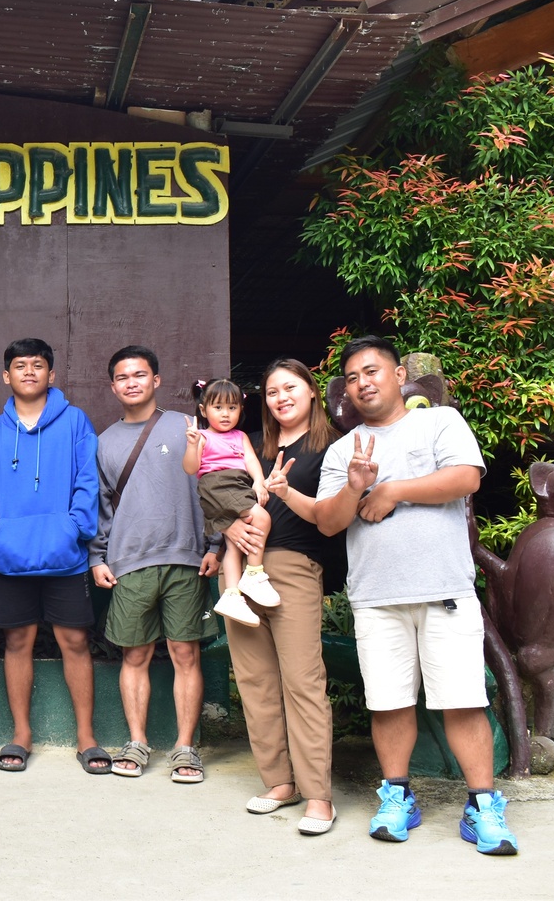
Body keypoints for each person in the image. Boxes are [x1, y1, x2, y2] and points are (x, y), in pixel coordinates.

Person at [314, 335, 518, 855]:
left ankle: (483, 805)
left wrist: (392, 489)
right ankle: (397, 796)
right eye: (353, 378)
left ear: (399, 375)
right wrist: (357, 485)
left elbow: (466, 478)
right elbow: (331, 523)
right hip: (376, 596)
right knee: (388, 702)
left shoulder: (439, 423)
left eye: (372, 371)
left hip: (444, 589)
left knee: (464, 701)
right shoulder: (343, 449)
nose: (363, 383)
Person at [0, 338, 108, 775]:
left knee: (75, 642)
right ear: (5, 376)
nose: (29, 372)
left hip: (65, 556)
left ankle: (86, 737)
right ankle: (21, 734)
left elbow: (89, 483)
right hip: (11, 558)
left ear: (52, 374)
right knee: (18, 642)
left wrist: (76, 532)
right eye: (19, 366)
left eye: (38, 365)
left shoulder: (76, 422)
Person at [89, 346, 219, 782]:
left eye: (139, 375)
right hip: (128, 561)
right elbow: (102, 507)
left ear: (156, 380)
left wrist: (216, 544)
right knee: (136, 654)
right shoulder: (104, 442)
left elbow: (214, 483)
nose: (131, 382)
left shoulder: (186, 427)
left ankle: (185, 748)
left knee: (186, 653)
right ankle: (137, 741)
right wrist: (97, 558)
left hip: (186, 557)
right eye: (122, 376)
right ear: (113, 386)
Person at [225, 358, 339, 834]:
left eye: (290, 387)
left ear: (312, 391)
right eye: (272, 391)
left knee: (302, 681)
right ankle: (278, 782)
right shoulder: (253, 447)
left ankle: (318, 795)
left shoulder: (332, 447)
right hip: (241, 566)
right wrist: (229, 528)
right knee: (254, 681)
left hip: (293, 567)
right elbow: (220, 495)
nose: (281, 397)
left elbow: (332, 519)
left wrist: (287, 493)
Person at [181, 378, 277, 628]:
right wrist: (192, 445)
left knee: (234, 543)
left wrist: (258, 481)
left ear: (241, 410)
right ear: (203, 411)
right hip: (218, 485)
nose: (226, 414)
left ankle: (232, 595)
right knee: (262, 519)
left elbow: (251, 461)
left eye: (232, 408)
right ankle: (254, 574)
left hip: (238, 484)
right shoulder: (202, 436)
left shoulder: (240, 436)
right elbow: (190, 468)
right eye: (218, 407)